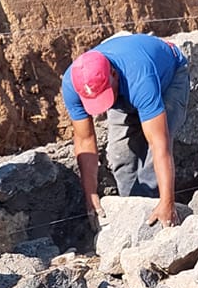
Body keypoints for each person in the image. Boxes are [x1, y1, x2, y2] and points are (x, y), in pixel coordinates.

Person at [62, 34, 189, 226]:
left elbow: (159, 144)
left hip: (168, 79)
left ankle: (157, 219)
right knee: (119, 157)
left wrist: (167, 203)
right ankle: (132, 219)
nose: (101, 106)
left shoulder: (139, 77)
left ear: (113, 74)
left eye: (104, 95)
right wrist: (91, 195)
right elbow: (85, 140)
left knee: (150, 166)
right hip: (125, 93)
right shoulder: (74, 85)